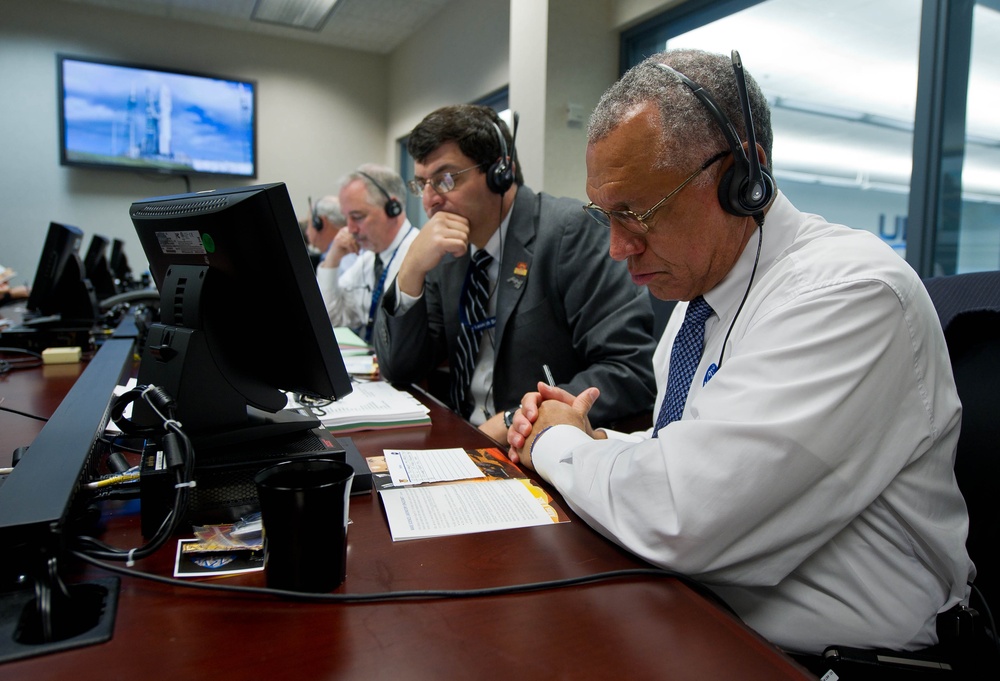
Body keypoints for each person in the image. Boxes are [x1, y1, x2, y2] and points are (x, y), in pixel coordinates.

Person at [506, 49, 974, 657]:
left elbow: (685, 517)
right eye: (607, 215)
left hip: (839, 661)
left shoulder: (851, 295)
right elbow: (696, 452)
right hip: (709, 619)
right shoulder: (697, 307)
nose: (619, 248)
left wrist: (554, 442)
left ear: (740, 178)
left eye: (639, 212)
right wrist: (593, 439)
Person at [372, 104, 657, 444]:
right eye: (423, 185)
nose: (430, 201)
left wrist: (515, 419)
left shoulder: (569, 233)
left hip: (535, 453)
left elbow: (630, 372)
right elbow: (399, 369)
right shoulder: (446, 253)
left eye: (446, 179)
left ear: (500, 173)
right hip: (462, 436)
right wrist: (411, 269)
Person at [316, 165, 417, 340]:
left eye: (357, 217)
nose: (350, 229)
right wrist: (332, 259)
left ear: (393, 208)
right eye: (346, 218)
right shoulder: (369, 259)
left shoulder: (419, 254)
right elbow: (331, 318)